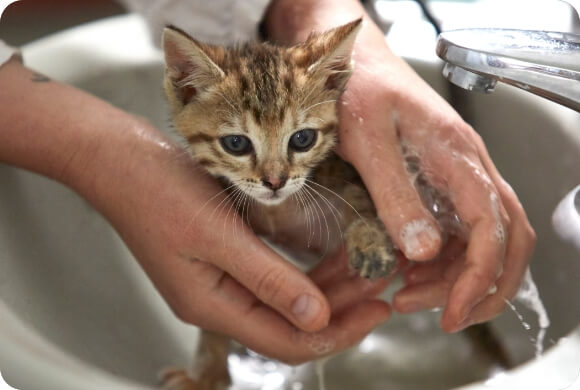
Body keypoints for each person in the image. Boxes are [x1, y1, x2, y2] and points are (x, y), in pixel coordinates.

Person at [0, 0, 535, 364]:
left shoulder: (310, 152)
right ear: (185, 90)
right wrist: (95, 157)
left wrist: (307, 6)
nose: (275, 177)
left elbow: (347, 187)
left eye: (300, 141)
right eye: (238, 145)